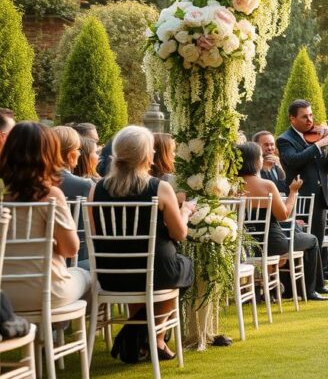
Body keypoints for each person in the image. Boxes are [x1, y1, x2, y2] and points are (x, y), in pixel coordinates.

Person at [89, 126, 195, 361]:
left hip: (112, 273)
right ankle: (150, 338)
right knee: (185, 267)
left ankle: (142, 341)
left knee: (150, 275)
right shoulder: (159, 187)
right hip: (158, 271)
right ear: (147, 155)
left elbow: (95, 233)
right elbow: (179, 234)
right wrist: (185, 211)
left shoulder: (96, 190)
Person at [0, 122, 91, 311]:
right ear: (49, 155)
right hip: (47, 290)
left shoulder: (3, 196)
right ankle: (60, 333)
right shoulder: (51, 195)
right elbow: (70, 249)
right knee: (86, 272)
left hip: (5, 296)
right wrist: (52, 242)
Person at [277, 99, 328, 288]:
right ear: (292, 118)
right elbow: (293, 160)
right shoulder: (285, 139)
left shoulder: (315, 137)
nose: (310, 120)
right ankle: (305, 287)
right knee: (306, 244)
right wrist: (318, 145)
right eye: (305, 117)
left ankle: (318, 284)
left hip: (319, 197)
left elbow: (326, 168)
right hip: (301, 199)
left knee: (317, 242)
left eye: (311, 115)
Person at [237, 142, 327, 300]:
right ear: (254, 161)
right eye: (260, 157)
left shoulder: (232, 186)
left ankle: (276, 289)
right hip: (274, 244)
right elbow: (283, 215)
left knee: (296, 232)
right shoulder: (266, 185)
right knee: (312, 240)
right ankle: (309, 290)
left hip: (246, 247)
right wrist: (293, 192)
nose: (261, 160)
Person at [53, 125, 94, 201]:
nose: (80, 153)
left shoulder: (34, 182)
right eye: (78, 149)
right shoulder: (84, 185)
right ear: (71, 155)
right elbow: (87, 213)